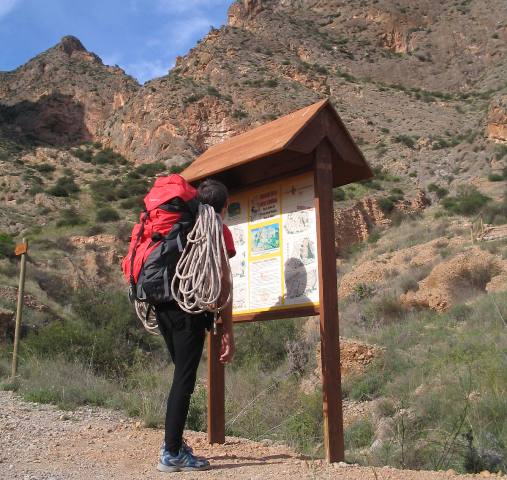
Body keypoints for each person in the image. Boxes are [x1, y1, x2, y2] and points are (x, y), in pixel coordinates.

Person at [157, 178, 235, 473]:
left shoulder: (180, 224)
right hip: (188, 309)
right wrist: (227, 329)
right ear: (224, 207)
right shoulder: (217, 229)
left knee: (181, 375)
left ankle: (174, 444)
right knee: (184, 380)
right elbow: (225, 281)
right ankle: (172, 452)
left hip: (163, 304)